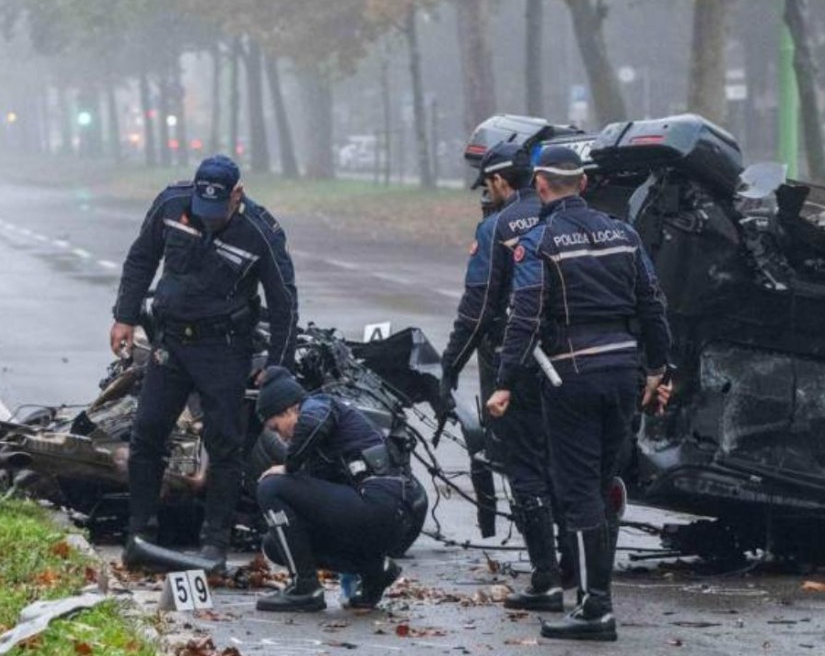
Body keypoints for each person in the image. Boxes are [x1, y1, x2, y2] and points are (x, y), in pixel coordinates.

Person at [492, 145, 672, 642]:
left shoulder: (539, 240)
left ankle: (596, 608)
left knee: (576, 492)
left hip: (570, 376)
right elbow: (653, 304)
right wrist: (659, 369)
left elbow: (525, 316)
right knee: (603, 482)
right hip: (624, 374)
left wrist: (504, 382)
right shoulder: (625, 233)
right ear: (585, 184)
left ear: (541, 185)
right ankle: (597, 600)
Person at [109, 154, 298, 573]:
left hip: (224, 348)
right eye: (202, 208)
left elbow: (283, 301)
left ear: (237, 195)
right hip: (171, 341)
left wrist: (280, 369)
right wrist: (124, 315)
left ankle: (214, 543)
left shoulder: (260, 232)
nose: (209, 218)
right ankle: (140, 533)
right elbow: (141, 258)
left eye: (219, 211)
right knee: (147, 434)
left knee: (225, 445)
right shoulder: (172, 205)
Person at [440, 140, 569, 612]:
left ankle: (547, 579)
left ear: (499, 180)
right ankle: (578, 567)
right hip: (578, 363)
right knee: (569, 466)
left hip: (518, 366)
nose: (486, 194)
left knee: (526, 468)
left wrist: (449, 366)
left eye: (487, 185)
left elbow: (477, 310)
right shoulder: (577, 220)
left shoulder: (497, 228)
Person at [252, 367, 412, 612]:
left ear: (290, 409)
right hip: (375, 519)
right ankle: (375, 570)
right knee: (276, 544)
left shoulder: (318, 405)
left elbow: (315, 421)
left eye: (276, 427)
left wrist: (289, 466)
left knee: (271, 486)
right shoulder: (317, 445)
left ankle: (304, 588)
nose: (280, 437)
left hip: (378, 504)